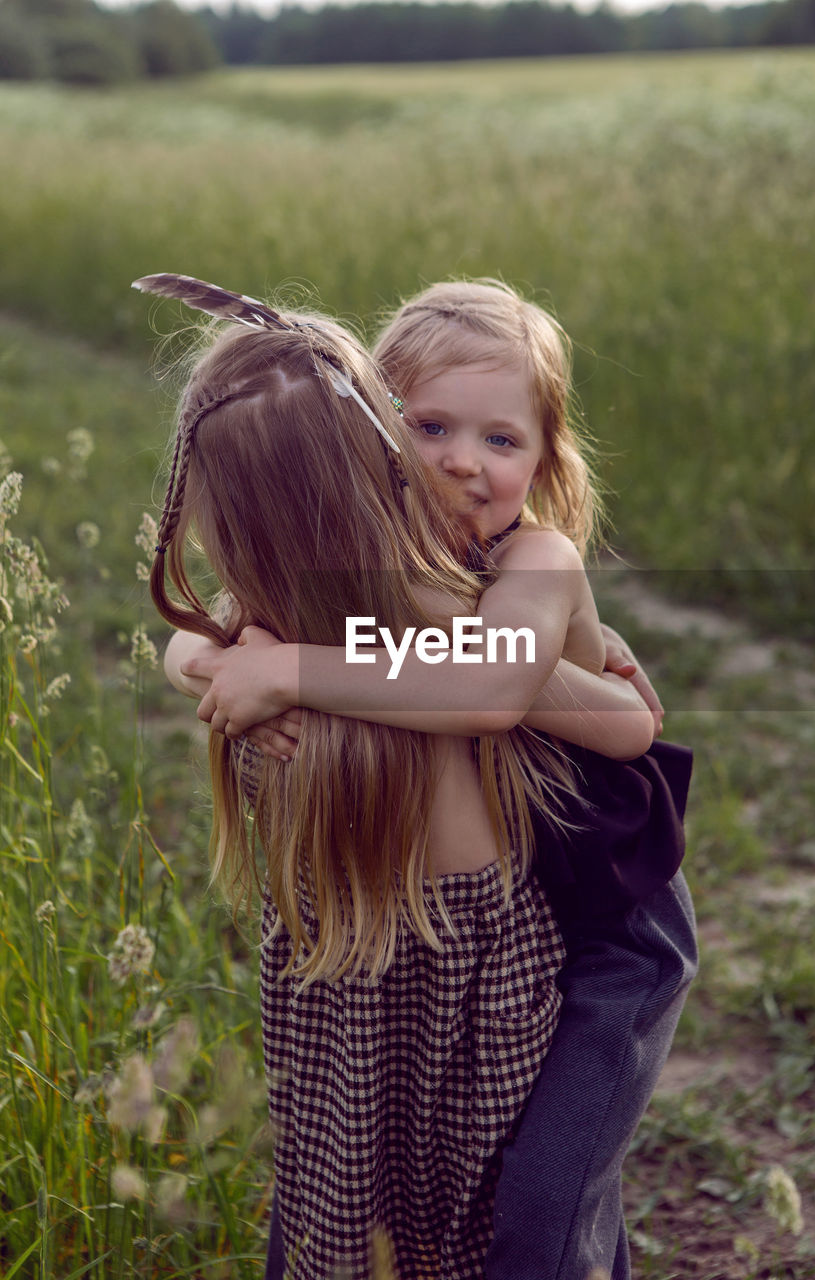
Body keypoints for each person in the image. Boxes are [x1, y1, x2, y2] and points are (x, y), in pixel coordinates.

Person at [139, 276, 657, 1280]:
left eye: (502, 440)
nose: (463, 460)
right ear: (374, 432)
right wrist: (217, 662)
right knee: (351, 1185)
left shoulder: (533, 558)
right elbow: (192, 632)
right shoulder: (356, 548)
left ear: (546, 458)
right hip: (366, 932)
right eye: (428, 425)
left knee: (519, 1197)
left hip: (547, 914)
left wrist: (286, 669)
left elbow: (500, 689)